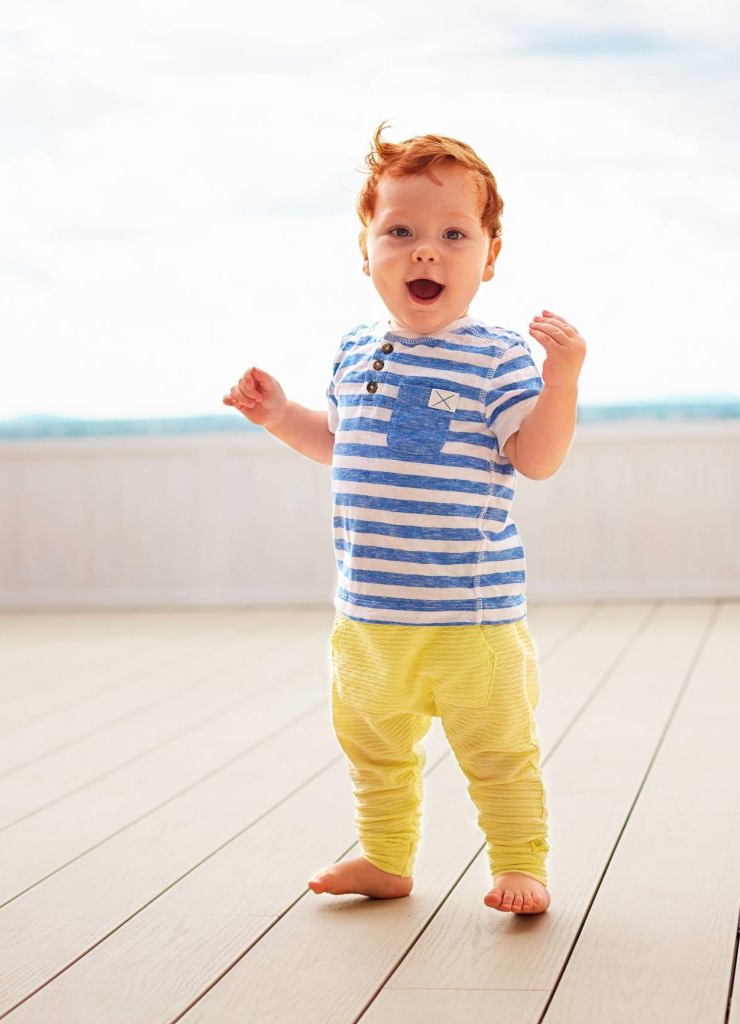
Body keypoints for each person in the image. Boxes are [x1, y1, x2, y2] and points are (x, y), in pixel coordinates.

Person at [223, 122, 586, 915]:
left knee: (497, 750)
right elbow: (339, 443)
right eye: (402, 232)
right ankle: (386, 858)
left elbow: (536, 458)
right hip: (368, 615)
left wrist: (561, 381)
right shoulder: (355, 350)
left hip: (470, 615)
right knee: (374, 748)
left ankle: (519, 863)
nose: (427, 251)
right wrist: (282, 414)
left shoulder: (495, 355)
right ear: (366, 250)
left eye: (454, 234)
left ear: (490, 256)